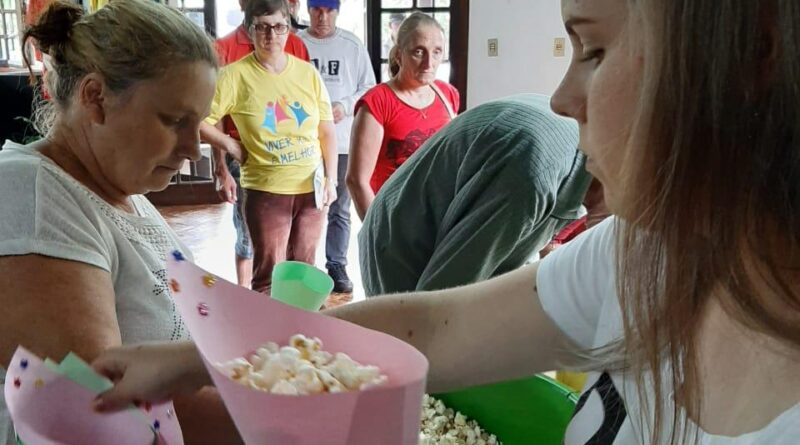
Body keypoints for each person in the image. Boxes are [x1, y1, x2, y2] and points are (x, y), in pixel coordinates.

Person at [92, 0, 800, 443]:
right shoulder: (642, 255)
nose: (561, 95)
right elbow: (431, 325)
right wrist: (199, 359)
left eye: (594, 50)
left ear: (752, 54)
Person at [0, 0, 244, 443]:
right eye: (174, 120)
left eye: (199, 124)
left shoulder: (121, 193)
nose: (193, 149)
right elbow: (107, 404)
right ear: (95, 97)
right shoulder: (30, 195)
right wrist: (294, 418)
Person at [359, 94, 591, 296]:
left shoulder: (583, 145)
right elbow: (442, 297)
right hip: (401, 241)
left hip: (427, 218)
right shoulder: (532, 179)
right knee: (415, 336)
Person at [199, 0, 337, 294]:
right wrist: (229, 145)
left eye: (278, 27)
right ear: (250, 31)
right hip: (267, 190)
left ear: (289, 29)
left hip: (311, 189)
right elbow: (198, 122)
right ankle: (269, 338)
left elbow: (326, 128)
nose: (271, 36)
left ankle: (304, 337)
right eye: (262, 28)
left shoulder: (307, 73)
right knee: (269, 276)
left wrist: (331, 179)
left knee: (305, 273)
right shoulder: (234, 76)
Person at [213, 0, 310, 288]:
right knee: (248, 238)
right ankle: (248, 296)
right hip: (246, 157)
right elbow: (213, 115)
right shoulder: (224, 48)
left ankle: (291, 305)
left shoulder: (296, 45)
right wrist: (222, 166)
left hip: (295, 163)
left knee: (294, 244)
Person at [347, 11, 459, 220]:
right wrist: (379, 234)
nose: (429, 62)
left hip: (438, 218)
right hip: (395, 219)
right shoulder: (378, 102)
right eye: (418, 52)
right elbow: (356, 180)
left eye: (436, 52)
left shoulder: (447, 94)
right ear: (399, 54)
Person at [299, 0, 376, 293]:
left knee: (340, 208)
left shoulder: (351, 45)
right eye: (317, 10)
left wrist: (345, 105)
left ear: (337, 12)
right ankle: (304, 265)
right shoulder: (297, 44)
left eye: (329, 11)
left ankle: (336, 265)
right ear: (308, 11)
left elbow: (368, 86)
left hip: (342, 142)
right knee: (307, 207)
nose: (322, 17)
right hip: (303, 142)